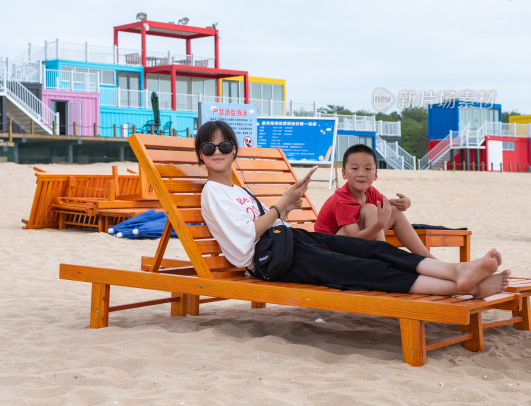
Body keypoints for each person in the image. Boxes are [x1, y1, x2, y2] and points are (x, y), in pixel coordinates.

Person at [196, 120, 510, 298]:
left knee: (372, 253)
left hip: (292, 241)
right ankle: (462, 286)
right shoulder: (212, 192)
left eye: (225, 146)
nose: (218, 152)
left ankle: (459, 273)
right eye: (209, 148)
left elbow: (266, 222)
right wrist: (280, 206)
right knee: (361, 270)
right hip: (273, 259)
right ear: (201, 157)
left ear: (234, 151)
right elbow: (242, 242)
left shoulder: (238, 190)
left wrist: (289, 205)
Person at [315, 144, 436, 258]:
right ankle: (384, 256)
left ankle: (426, 256)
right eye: (355, 168)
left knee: (393, 211)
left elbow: (388, 204)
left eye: (368, 169)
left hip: (357, 241)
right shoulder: (343, 199)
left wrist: (405, 202)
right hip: (330, 249)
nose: (361, 174)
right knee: (370, 209)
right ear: (344, 173)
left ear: (375, 175)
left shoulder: (370, 191)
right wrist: (379, 225)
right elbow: (354, 238)